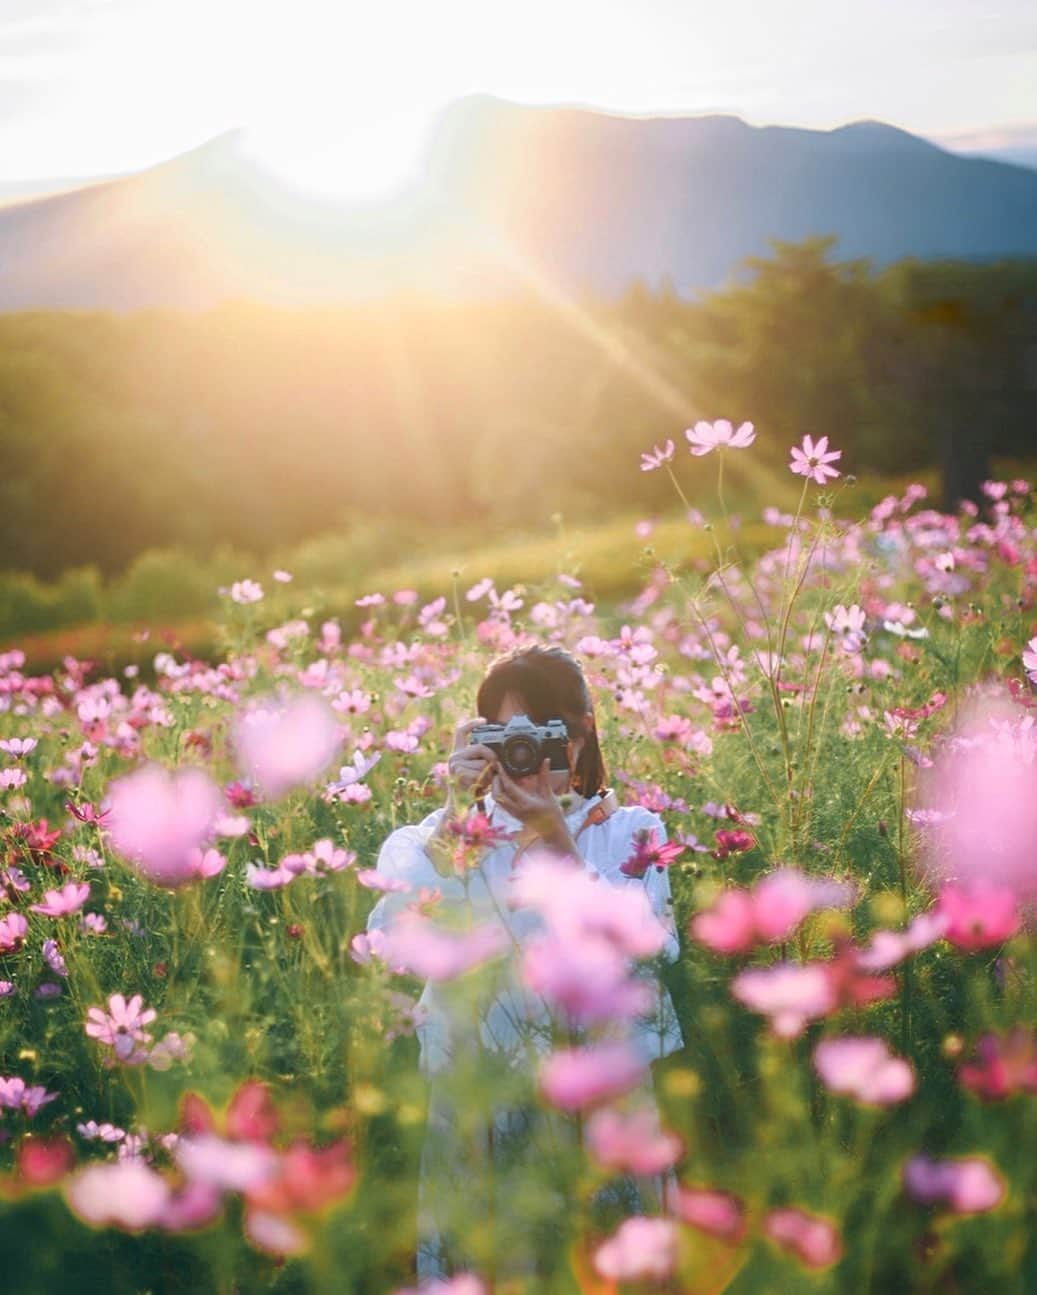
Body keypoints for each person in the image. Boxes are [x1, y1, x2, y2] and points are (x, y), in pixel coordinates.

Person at [366, 645, 683, 1280]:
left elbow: (648, 953)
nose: (527, 757)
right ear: (478, 741)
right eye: (507, 737)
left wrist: (560, 843)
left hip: (603, 1102)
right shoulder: (427, 840)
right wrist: (456, 817)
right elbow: (393, 939)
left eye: (543, 734)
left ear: (582, 731)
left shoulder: (631, 831)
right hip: (482, 1100)